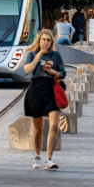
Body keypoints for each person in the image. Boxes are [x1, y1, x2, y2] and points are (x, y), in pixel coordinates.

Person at [23, 29, 65, 170]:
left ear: (52, 42)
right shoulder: (32, 54)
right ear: (39, 41)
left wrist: (52, 71)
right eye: (43, 40)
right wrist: (40, 54)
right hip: (36, 89)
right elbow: (28, 69)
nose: (46, 42)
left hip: (51, 89)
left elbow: (62, 73)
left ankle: (49, 159)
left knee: (54, 125)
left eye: (48, 40)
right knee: (38, 128)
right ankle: (37, 155)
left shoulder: (56, 56)